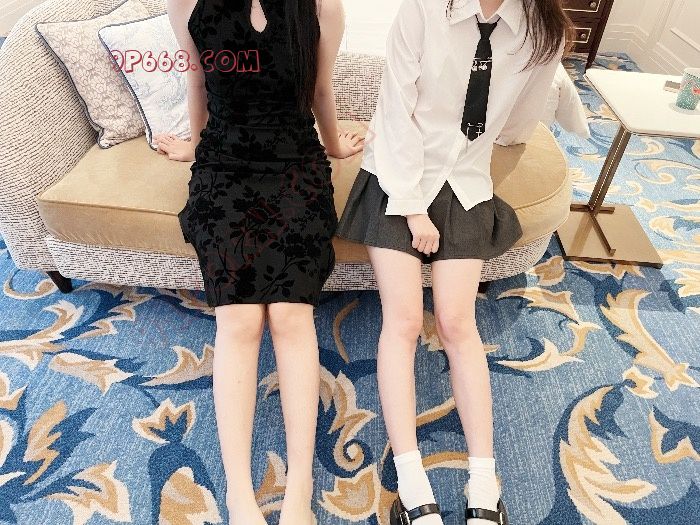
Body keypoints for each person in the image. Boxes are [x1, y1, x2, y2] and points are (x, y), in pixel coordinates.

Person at [335, 0, 571, 523]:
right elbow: (395, 110)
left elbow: (521, 121)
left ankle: (485, 480)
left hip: (465, 180)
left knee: (458, 323)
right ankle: (411, 478)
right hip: (398, 175)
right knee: (402, 320)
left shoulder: (543, 31)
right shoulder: (424, 8)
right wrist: (413, 209)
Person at [157, 0, 364, 524]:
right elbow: (198, 82)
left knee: (291, 315)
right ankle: (239, 494)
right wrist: (195, 146)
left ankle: (299, 489)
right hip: (224, 165)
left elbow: (319, 90)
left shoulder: (322, 5)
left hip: (295, 164)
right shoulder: (185, 1)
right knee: (239, 320)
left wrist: (336, 146)